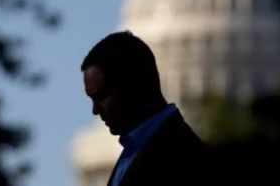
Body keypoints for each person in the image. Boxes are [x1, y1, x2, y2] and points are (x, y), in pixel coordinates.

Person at [81, 30, 205, 186]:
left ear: (131, 85)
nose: (95, 110)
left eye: (102, 96)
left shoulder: (183, 155)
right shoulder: (131, 153)